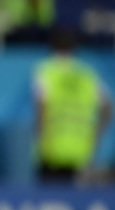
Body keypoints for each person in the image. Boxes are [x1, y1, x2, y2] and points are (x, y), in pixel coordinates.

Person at [34, 29, 112, 182]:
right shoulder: (87, 75)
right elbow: (108, 107)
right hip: (82, 151)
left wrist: (41, 139)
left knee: (50, 198)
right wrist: (96, 135)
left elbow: (41, 108)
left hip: (52, 151)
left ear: (52, 48)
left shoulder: (46, 72)